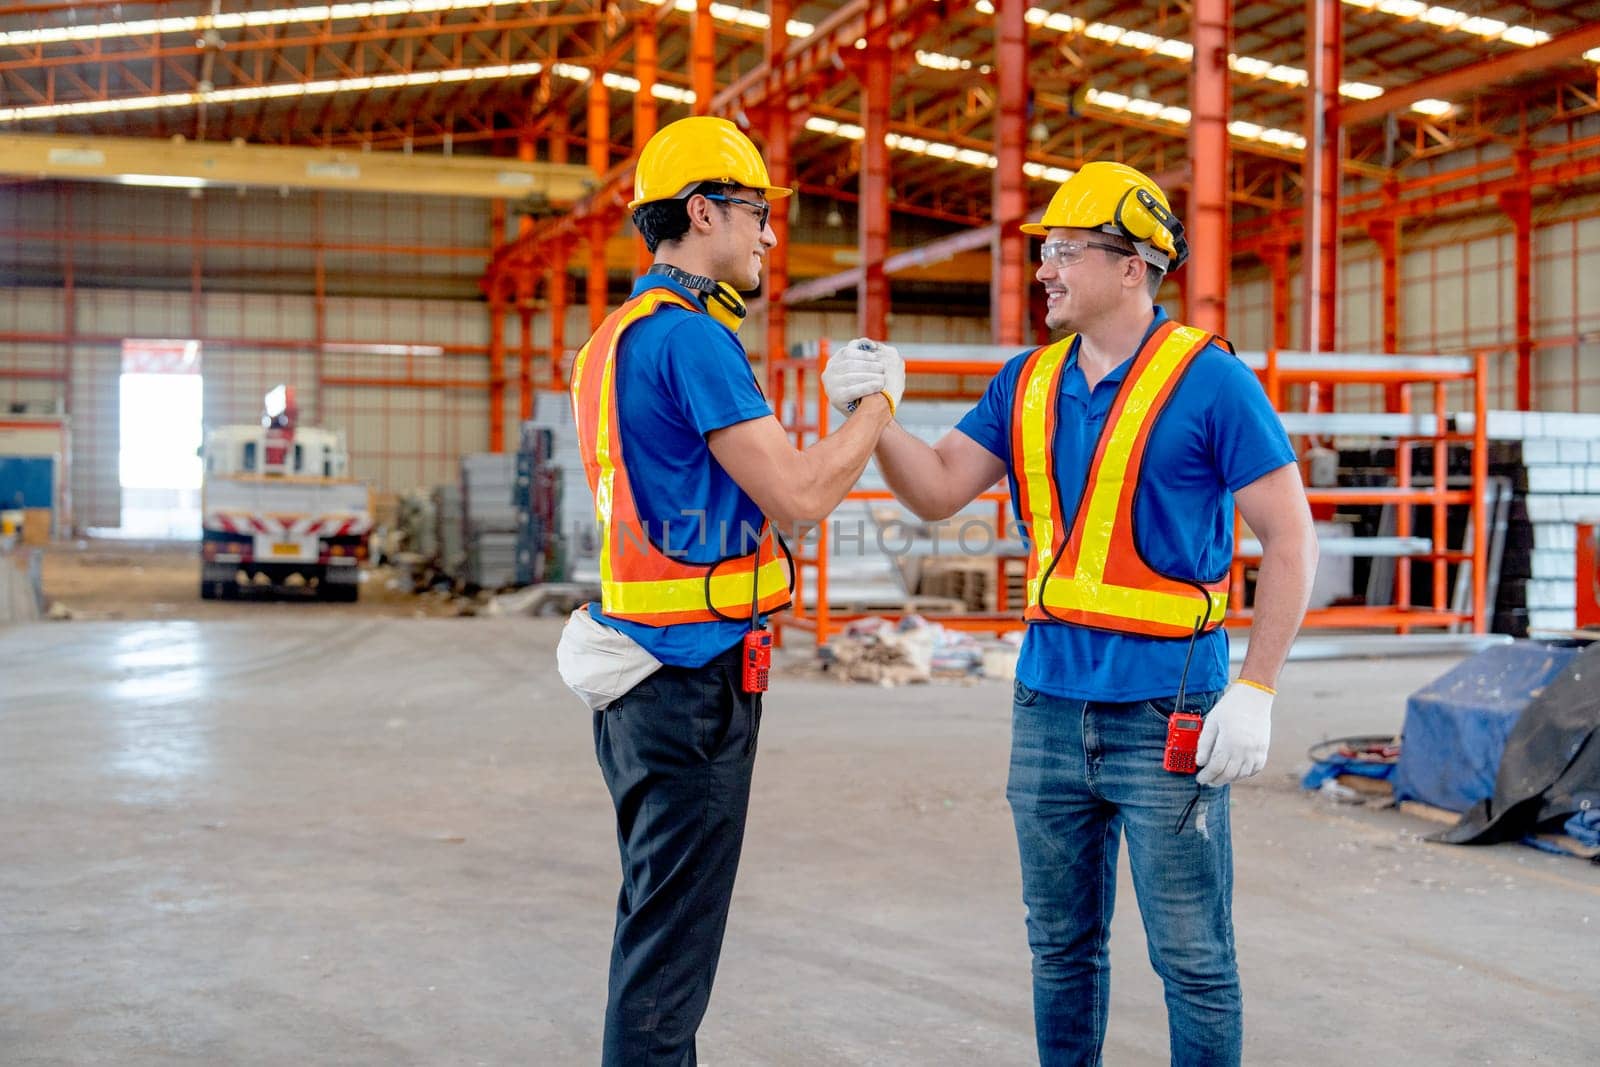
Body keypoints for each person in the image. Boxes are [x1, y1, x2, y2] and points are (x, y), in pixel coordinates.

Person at [821, 161, 1318, 1066]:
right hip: (1046, 706)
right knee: (1060, 951)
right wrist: (874, 412)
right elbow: (935, 491)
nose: (1043, 269)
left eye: (1064, 251)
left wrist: (1258, 687)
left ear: (1133, 267)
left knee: (1194, 959)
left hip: (1170, 712)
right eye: (1043, 250)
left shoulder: (1212, 381)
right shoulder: (1027, 381)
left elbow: (1291, 537)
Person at [560, 115, 899, 1066]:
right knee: (670, 960)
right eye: (755, 213)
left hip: (639, 680)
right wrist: (876, 402)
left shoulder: (609, 345)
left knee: (655, 924)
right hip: (691, 685)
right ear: (702, 212)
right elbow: (796, 494)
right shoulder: (692, 339)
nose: (767, 235)